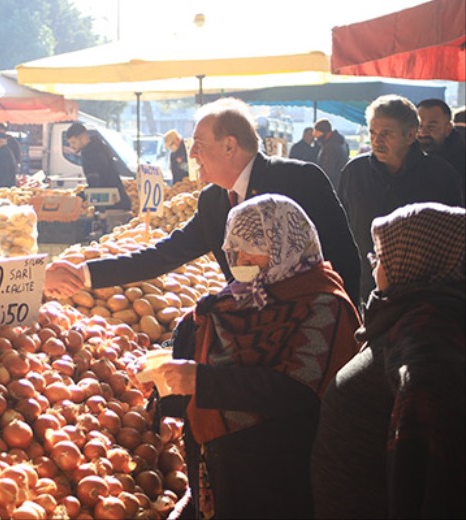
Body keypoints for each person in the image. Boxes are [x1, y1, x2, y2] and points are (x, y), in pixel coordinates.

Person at [155, 194, 360, 519]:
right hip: (226, 477)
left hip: (283, 481)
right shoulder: (240, 296)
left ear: (283, 244)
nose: (236, 254)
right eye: (232, 244)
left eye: (249, 244)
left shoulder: (325, 305)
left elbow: (298, 390)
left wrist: (201, 380)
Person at [46, 98, 361, 304]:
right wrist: (84, 273)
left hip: (311, 333)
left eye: (198, 144)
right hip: (254, 335)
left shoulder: (300, 179)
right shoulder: (213, 201)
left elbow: (344, 259)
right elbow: (166, 255)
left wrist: (336, 324)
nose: (192, 154)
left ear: (229, 147)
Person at [311, 202, 465, 519]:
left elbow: (425, 469)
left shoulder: (426, 339)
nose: (374, 268)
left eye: (381, 258)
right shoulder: (412, 316)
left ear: (415, 262)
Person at [339, 95, 463, 301]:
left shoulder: (441, 175)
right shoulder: (354, 172)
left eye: (386, 134)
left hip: (424, 295)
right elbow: (342, 229)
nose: (377, 140)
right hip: (364, 289)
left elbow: (456, 243)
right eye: (372, 132)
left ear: (410, 135)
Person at [65, 122, 132, 211]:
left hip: (111, 205)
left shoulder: (90, 154)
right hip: (119, 201)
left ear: (82, 137)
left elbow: (94, 185)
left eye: (73, 142)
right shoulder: (100, 146)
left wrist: (77, 198)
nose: (71, 146)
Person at [417, 98, 466, 199]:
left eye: (431, 126)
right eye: (419, 126)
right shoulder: (402, 156)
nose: (423, 132)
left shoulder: (460, 163)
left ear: (448, 129)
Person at [313, 118, 349, 188]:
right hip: (340, 183)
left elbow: (327, 171)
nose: (316, 138)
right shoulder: (342, 143)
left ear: (325, 133)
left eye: (317, 135)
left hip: (332, 186)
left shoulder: (330, 147)